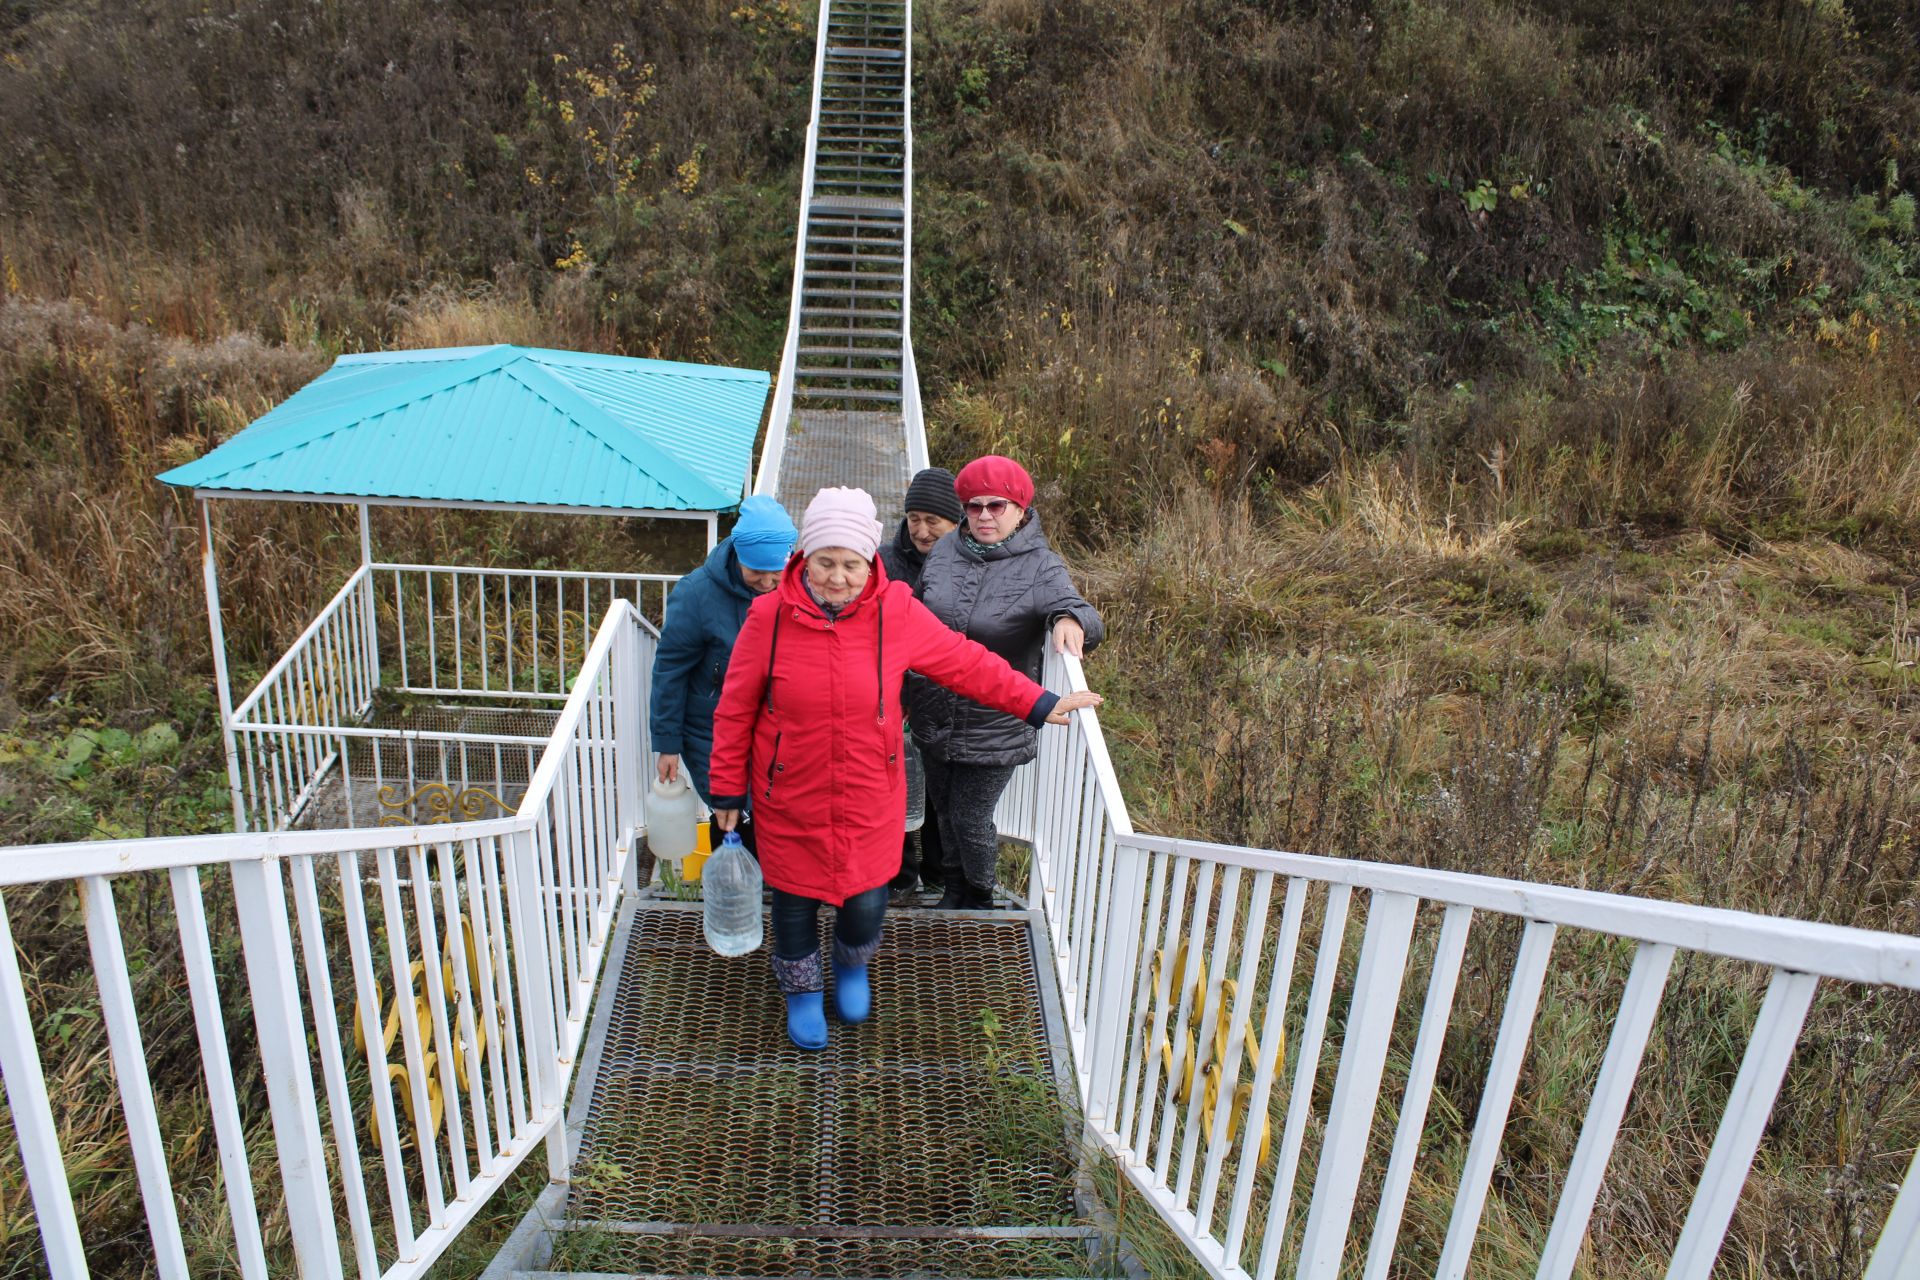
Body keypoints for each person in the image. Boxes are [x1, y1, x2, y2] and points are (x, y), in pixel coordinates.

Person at [707, 486, 1101, 1050]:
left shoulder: (894, 610)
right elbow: (735, 708)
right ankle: (800, 993)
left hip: (871, 793)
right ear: (804, 560)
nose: (837, 577)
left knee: (867, 902)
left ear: (871, 562)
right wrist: (725, 791)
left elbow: (966, 662)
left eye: (850, 564)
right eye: (825, 562)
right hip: (790, 796)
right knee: (793, 905)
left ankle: (849, 967)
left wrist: (1037, 702)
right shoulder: (770, 616)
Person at [911, 455, 1104, 909]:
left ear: (1020, 510)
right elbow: (916, 611)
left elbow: (1086, 615)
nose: (983, 516)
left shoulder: (1040, 565)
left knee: (971, 816)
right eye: (973, 506)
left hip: (995, 718)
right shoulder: (944, 551)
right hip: (932, 709)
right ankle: (953, 895)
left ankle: (978, 899)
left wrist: (1067, 618)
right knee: (943, 813)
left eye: (996, 506)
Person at [648, 494, 797, 852]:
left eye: (775, 572)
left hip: (774, 724)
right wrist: (667, 743)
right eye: (755, 572)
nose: (766, 582)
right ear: (738, 557)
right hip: (709, 726)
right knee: (731, 807)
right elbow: (670, 670)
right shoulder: (696, 594)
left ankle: (771, 885)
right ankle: (733, 887)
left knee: (774, 808)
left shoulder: (800, 587)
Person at [876, 467, 964, 898]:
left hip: (949, 696)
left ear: (956, 521)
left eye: (934, 521)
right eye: (915, 519)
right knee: (893, 789)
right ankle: (898, 877)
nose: (922, 531)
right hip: (893, 698)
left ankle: (938, 872)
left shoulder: (969, 560)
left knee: (939, 794)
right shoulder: (883, 562)